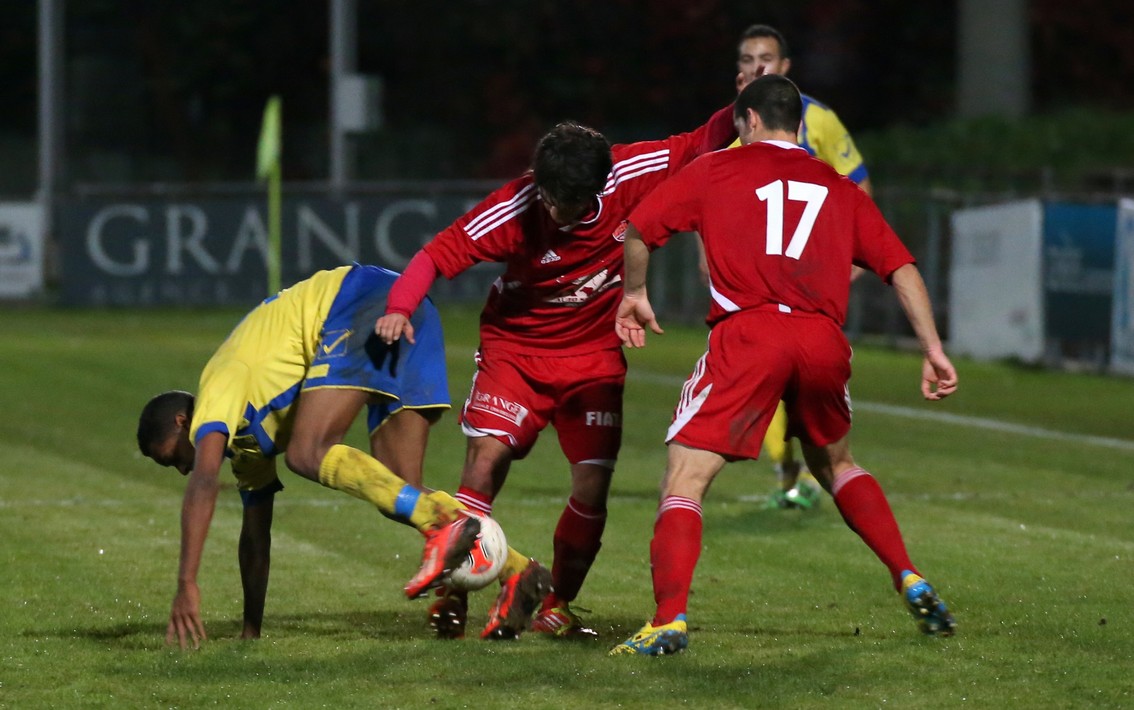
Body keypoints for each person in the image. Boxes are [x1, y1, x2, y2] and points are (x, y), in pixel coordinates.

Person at [610, 75, 957, 656]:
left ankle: (669, 620)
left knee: (685, 478)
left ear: (747, 121)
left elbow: (640, 229)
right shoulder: (839, 187)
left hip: (750, 333)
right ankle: (908, 574)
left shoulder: (716, 168)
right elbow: (901, 268)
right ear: (800, 124)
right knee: (837, 463)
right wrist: (934, 349)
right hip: (822, 340)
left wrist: (635, 293)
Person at [375, 104, 737, 640]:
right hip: (516, 352)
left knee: (592, 484)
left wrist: (750, 99)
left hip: (593, 357)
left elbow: (703, 139)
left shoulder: (632, 173)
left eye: (563, 202)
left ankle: (556, 604)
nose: (552, 209)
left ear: (598, 187)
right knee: (484, 463)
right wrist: (400, 306)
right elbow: (436, 254)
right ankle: (453, 594)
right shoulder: (515, 207)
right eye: (544, 195)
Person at [136, 263, 546, 649]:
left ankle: (441, 526)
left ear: (180, 420)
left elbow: (203, 480)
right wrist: (250, 633)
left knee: (307, 452)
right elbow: (255, 538)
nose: (182, 467)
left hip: (362, 299)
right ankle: (519, 572)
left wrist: (186, 582)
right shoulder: (245, 446)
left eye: (172, 457)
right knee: (401, 488)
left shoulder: (218, 384)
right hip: (410, 310)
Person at [729, 23, 876, 511]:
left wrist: (852, 262)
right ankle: (792, 472)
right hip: (761, 281)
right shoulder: (733, 129)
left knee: (805, 380)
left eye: (766, 58)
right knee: (769, 375)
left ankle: (814, 469)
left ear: (786, 67)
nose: (758, 67)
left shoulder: (821, 121)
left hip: (814, 280)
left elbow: (859, 186)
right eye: (748, 60)